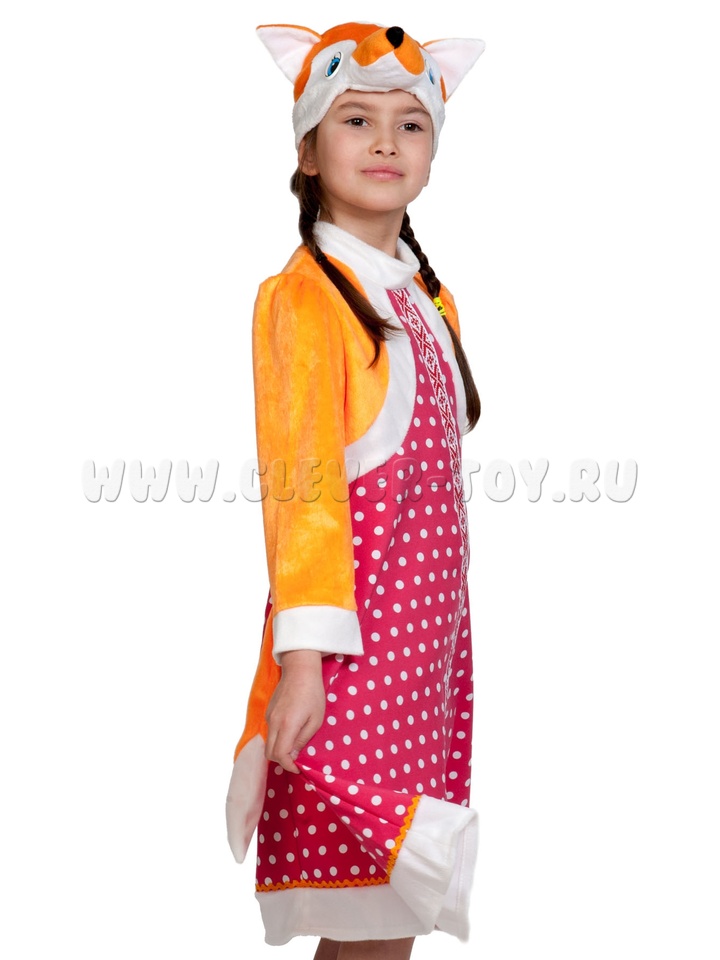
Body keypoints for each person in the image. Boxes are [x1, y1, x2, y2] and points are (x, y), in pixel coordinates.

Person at [226, 22, 485, 959]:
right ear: (307, 151)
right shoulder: (306, 297)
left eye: (411, 124)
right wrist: (302, 661)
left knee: (387, 919)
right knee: (367, 910)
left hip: (423, 652)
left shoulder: (423, 297)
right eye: (356, 119)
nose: (386, 142)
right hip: (349, 657)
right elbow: (303, 492)